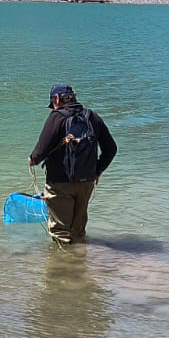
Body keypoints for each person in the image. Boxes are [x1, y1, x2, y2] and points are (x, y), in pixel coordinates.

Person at [28, 84, 117, 243]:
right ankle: (80, 260)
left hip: (60, 183)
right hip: (86, 182)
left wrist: (32, 159)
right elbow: (111, 149)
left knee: (60, 231)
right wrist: (98, 170)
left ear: (56, 99)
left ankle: (65, 265)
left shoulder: (57, 117)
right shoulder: (92, 117)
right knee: (78, 229)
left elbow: (40, 151)